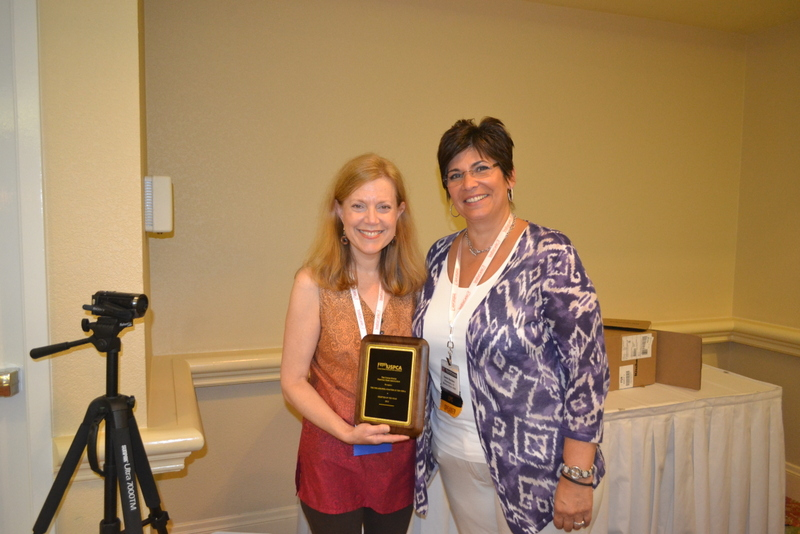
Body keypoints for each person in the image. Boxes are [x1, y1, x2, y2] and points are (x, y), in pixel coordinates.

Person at [413, 118, 609, 534]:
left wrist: (577, 474)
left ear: (510, 176)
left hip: (537, 469)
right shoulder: (437, 256)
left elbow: (588, 369)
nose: (469, 183)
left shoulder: (549, 254)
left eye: (481, 168)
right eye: (455, 174)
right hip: (454, 453)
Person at [281, 153, 427, 534]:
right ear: (339, 211)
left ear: (400, 213)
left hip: (396, 462)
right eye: (358, 205)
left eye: (383, 207)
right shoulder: (312, 284)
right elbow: (292, 381)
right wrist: (347, 432)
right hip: (332, 457)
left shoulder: (415, 287)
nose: (371, 219)